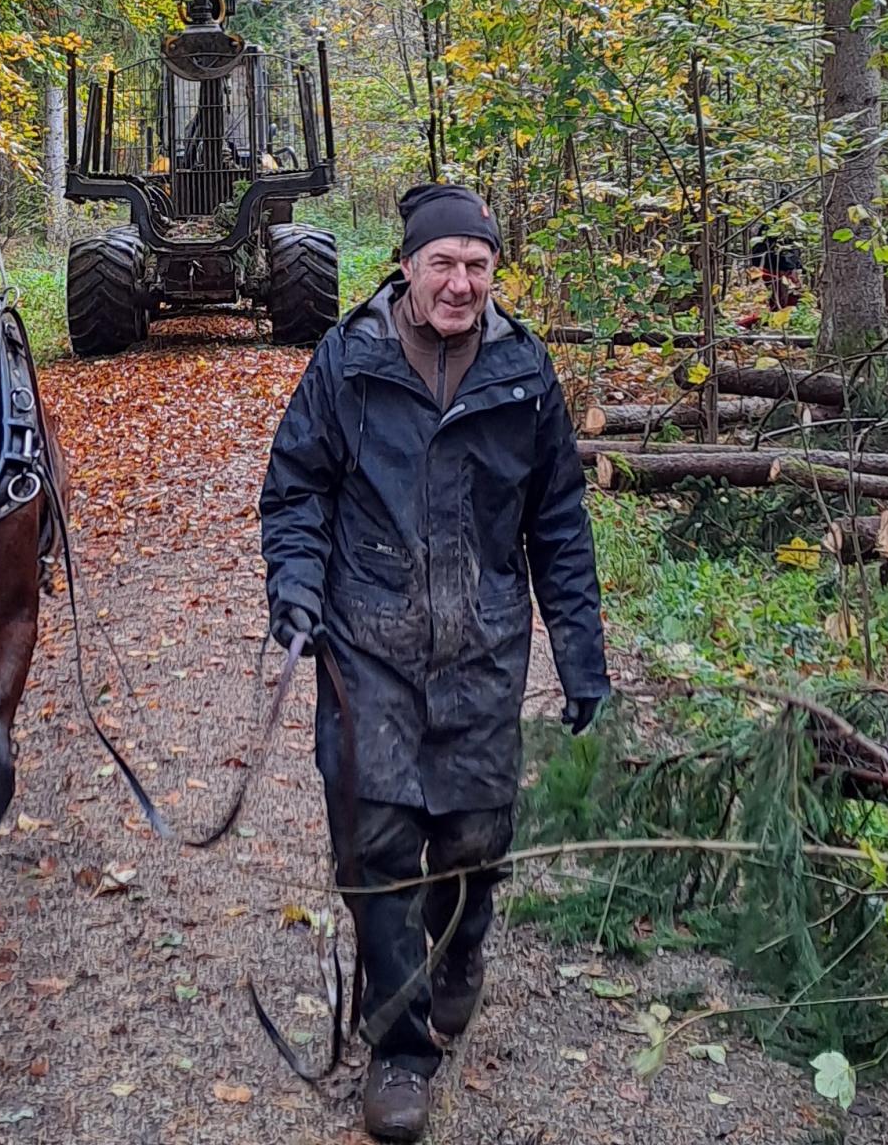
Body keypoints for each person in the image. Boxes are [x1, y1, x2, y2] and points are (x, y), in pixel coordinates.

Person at [259, 183, 612, 1142]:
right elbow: (296, 491)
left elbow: (559, 525)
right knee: (374, 845)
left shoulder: (524, 373)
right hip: (366, 641)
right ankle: (400, 1051)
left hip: (483, 643)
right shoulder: (350, 361)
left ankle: (459, 951)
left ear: (495, 272)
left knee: (473, 835)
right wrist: (296, 587)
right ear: (408, 266)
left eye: (477, 265)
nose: (460, 283)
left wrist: (582, 661)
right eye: (443, 263)